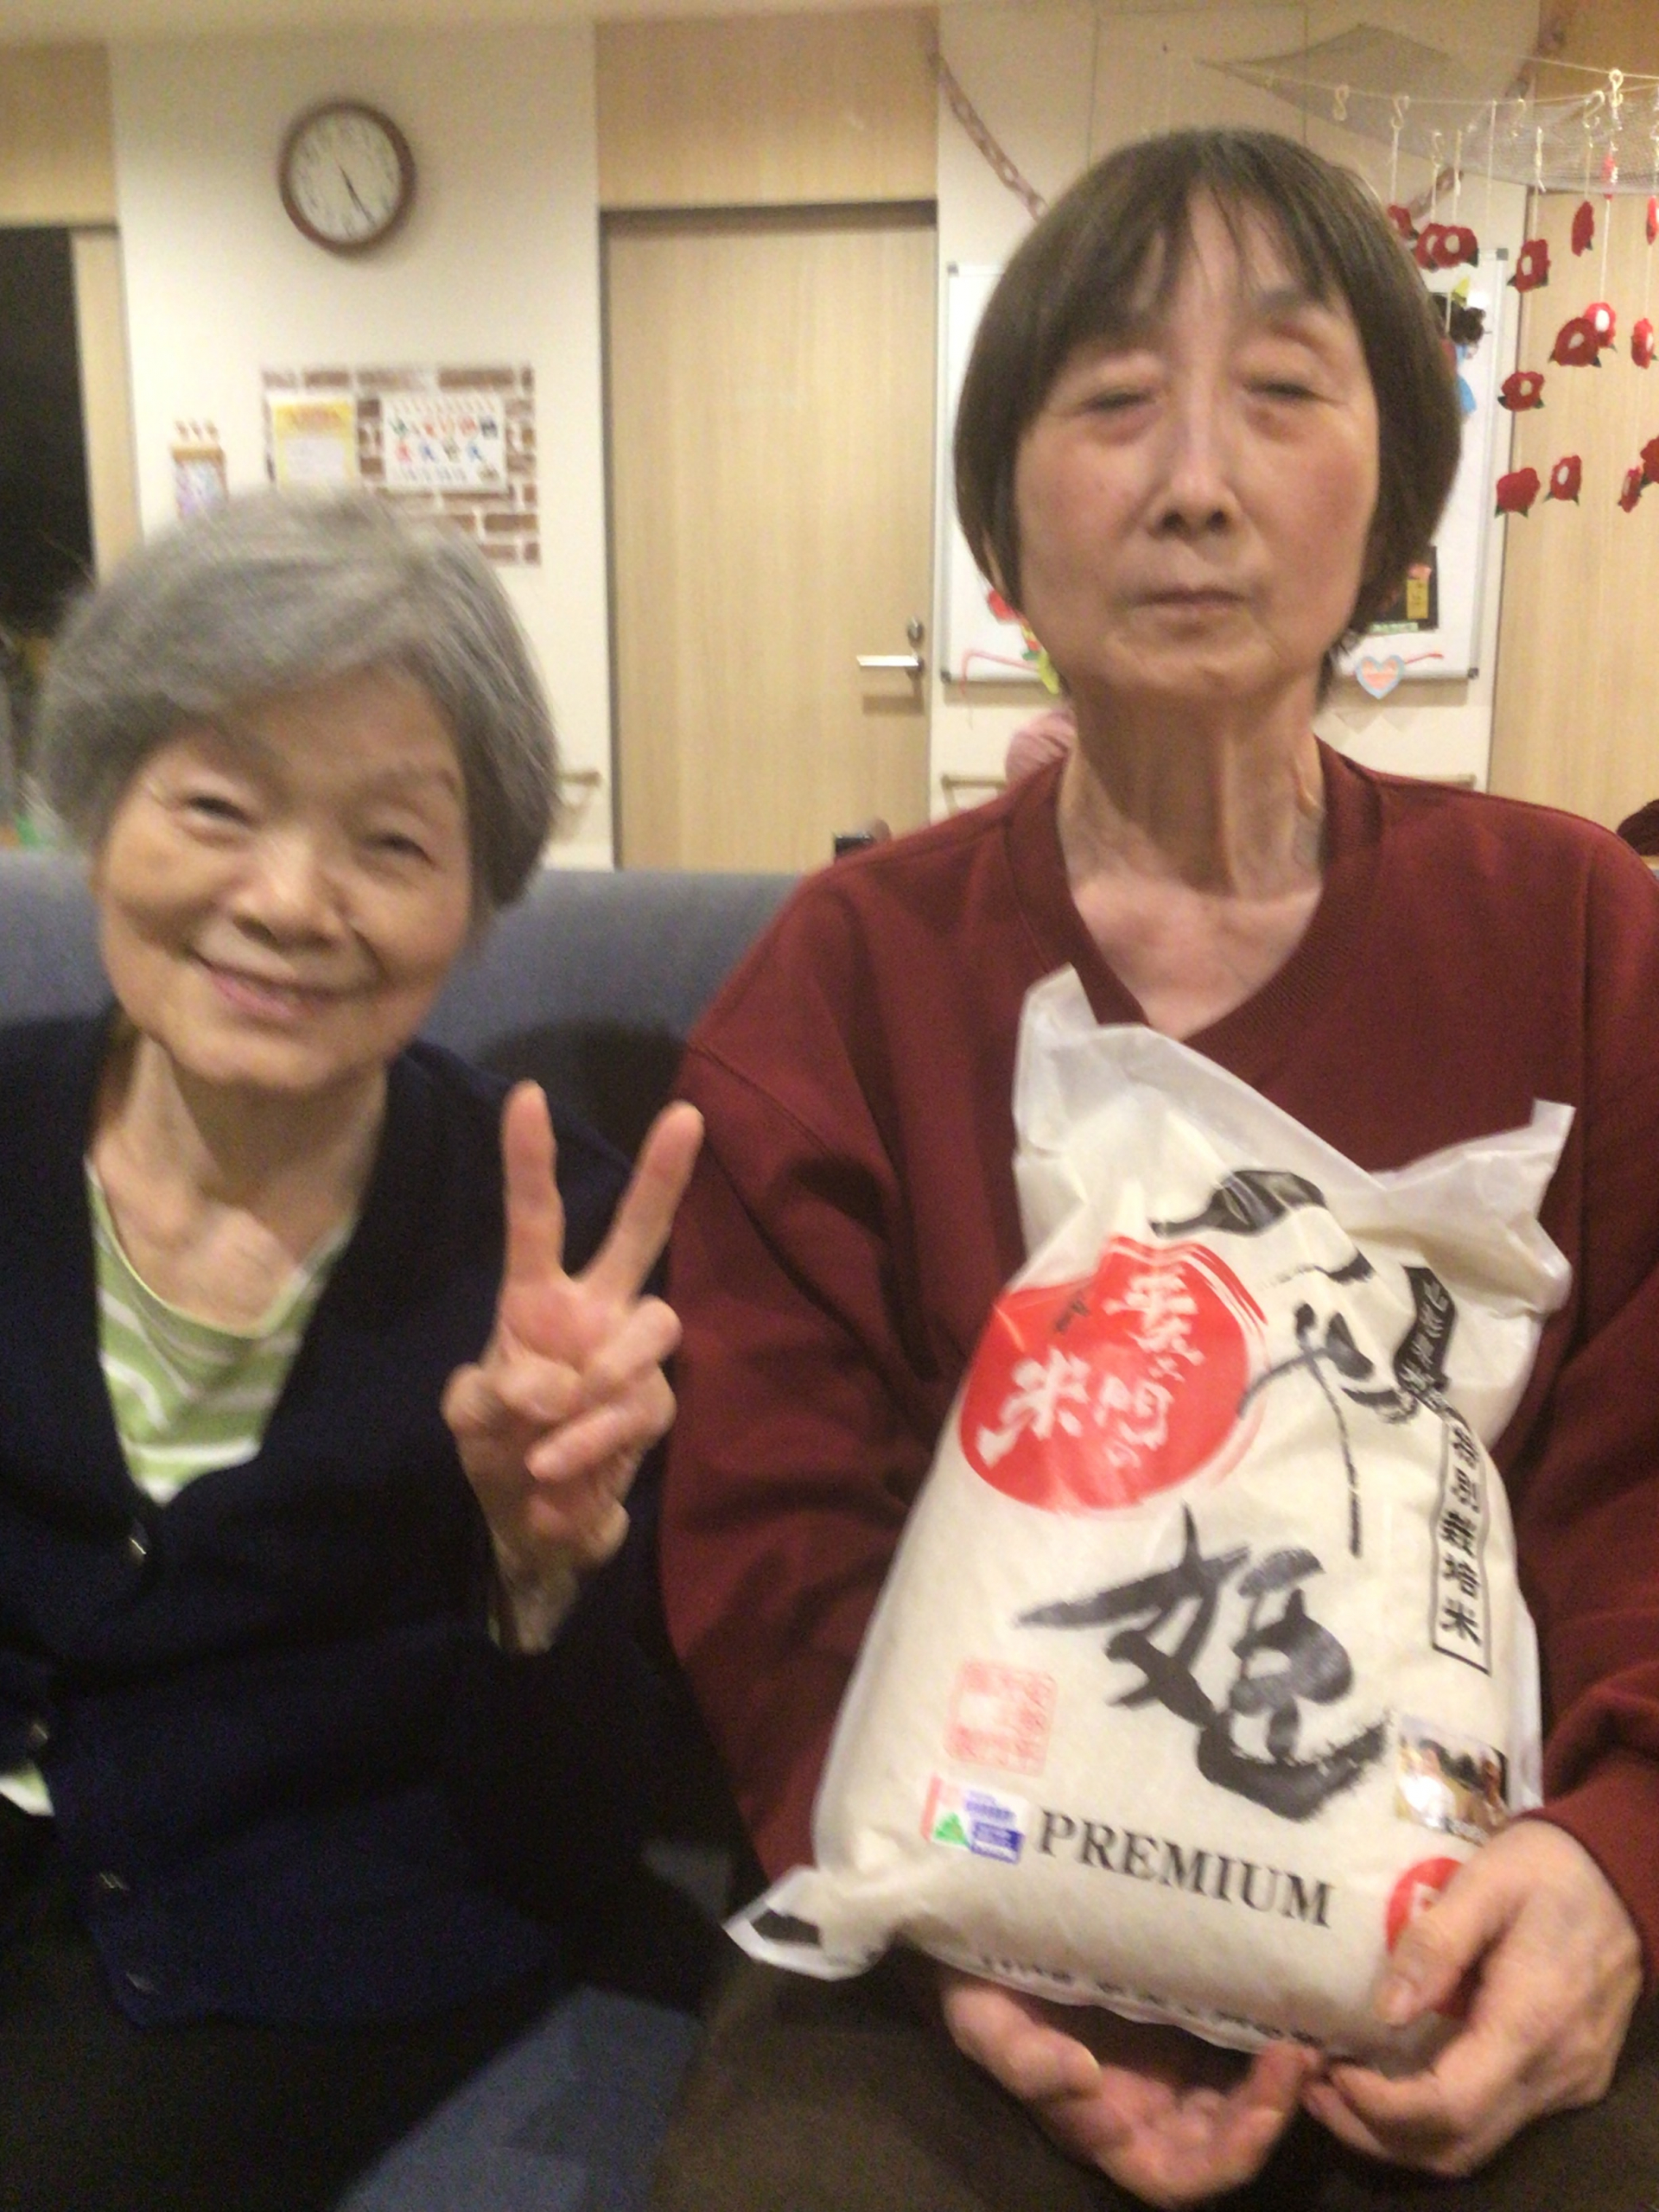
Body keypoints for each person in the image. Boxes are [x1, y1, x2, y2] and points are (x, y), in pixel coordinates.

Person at [655, 128, 1659, 2211]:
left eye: (1281, 391)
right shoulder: (848, 972)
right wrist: (952, 1920)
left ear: (1394, 503)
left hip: (1461, 1922)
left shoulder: (1575, 931)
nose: (1196, 479)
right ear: (1001, 520)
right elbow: (779, 1524)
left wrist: (1619, 1853)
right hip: (961, 1918)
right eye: (1115, 398)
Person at [0, 489, 704, 2212]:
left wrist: (540, 1565)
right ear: (100, 807)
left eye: (390, 842)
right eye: (218, 805)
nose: (290, 899)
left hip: (315, 1946)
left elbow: (580, 1833)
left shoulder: (554, 1248)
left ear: (475, 896)